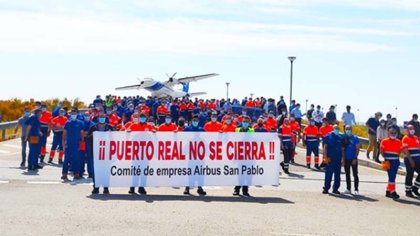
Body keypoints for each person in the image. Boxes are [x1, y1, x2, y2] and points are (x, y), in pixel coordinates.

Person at [87, 113, 115, 194]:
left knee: (106, 170)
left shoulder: (109, 127)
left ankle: (106, 187)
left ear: (105, 118)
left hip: (107, 152)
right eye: (100, 117)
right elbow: (87, 139)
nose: (102, 118)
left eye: (103, 117)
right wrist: (92, 135)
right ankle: (96, 187)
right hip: (96, 152)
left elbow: (115, 138)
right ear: (98, 118)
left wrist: (111, 134)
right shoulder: (93, 128)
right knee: (96, 170)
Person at [127, 113, 155, 195]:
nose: (142, 119)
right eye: (141, 117)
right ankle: (132, 187)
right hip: (136, 152)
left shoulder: (149, 126)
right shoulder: (133, 125)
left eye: (144, 117)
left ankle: (141, 187)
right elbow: (127, 132)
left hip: (145, 153)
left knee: (144, 171)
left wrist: (154, 131)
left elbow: (155, 132)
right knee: (135, 170)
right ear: (139, 118)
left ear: (146, 118)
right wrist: (128, 131)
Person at [183, 115, 207, 195]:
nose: (195, 122)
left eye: (196, 120)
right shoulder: (187, 129)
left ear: (198, 121)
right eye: (194, 120)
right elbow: (183, 139)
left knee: (200, 172)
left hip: (200, 155)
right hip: (191, 155)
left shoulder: (202, 129)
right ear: (191, 120)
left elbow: (205, 140)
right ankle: (187, 187)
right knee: (190, 172)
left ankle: (200, 187)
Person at [380, 127, 407, 199]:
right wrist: (386, 158)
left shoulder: (398, 141)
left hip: (395, 161)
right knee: (391, 176)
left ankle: (389, 191)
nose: (393, 134)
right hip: (388, 161)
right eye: (392, 133)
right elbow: (381, 151)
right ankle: (392, 191)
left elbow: (401, 151)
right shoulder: (384, 141)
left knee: (392, 176)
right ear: (388, 133)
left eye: (395, 133)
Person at [234, 116, 254, 196]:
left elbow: (255, 141)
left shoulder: (252, 130)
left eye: (246, 122)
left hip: (248, 155)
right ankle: (237, 189)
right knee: (239, 173)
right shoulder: (237, 130)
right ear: (241, 122)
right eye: (244, 121)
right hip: (240, 155)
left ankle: (245, 190)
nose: (245, 123)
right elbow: (233, 140)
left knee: (247, 173)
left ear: (249, 122)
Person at [61, 109, 84, 181]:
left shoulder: (80, 123)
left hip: (76, 144)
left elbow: (82, 133)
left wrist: (82, 142)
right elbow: (64, 133)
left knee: (76, 159)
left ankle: (76, 173)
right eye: (72, 114)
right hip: (69, 144)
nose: (73, 115)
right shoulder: (67, 123)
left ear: (77, 114)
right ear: (70, 115)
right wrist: (64, 143)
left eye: (74, 114)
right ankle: (64, 174)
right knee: (66, 159)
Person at [322, 125, 344, 195]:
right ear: (333, 129)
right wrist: (325, 157)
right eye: (335, 129)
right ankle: (326, 188)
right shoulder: (328, 136)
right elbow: (325, 147)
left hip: (338, 159)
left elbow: (342, 149)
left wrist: (343, 159)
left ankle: (335, 189)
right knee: (328, 174)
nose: (337, 130)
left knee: (337, 175)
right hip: (329, 158)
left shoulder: (341, 137)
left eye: (338, 129)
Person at [401, 125, 420, 198]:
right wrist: (411, 160)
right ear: (407, 130)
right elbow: (406, 150)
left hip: (418, 160)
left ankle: (415, 188)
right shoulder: (405, 138)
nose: (412, 130)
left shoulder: (415, 138)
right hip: (410, 160)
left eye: (413, 128)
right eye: (410, 129)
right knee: (410, 174)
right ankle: (408, 191)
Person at [342, 125, 360, 195]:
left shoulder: (355, 138)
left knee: (355, 174)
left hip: (353, 159)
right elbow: (342, 149)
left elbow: (357, 149)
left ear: (351, 129)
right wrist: (343, 159)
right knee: (347, 174)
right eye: (346, 129)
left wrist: (355, 158)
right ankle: (348, 188)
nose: (348, 130)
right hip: (346, 159)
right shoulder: (344, 138)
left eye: (349, 129)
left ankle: (356, 189)